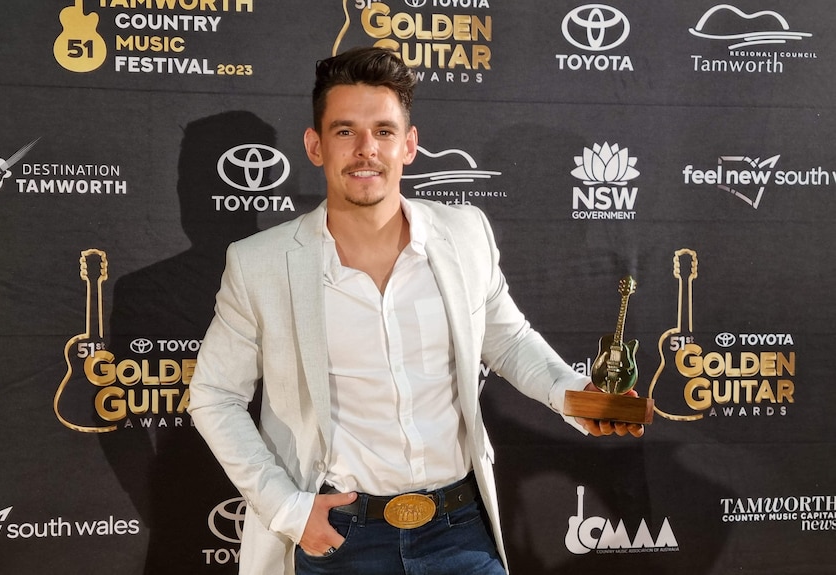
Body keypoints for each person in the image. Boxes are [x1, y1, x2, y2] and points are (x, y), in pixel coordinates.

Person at [188, 46, 643, 575]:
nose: (365, 150)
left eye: (383, 131)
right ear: (315, 146)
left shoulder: (464, 234)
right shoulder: (260, 265)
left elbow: (509, 340)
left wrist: (577, 398)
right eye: (344, 132)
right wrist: (290, 510)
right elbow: (214, 395)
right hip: (338, 537)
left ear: (409, 144)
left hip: (459, 531)